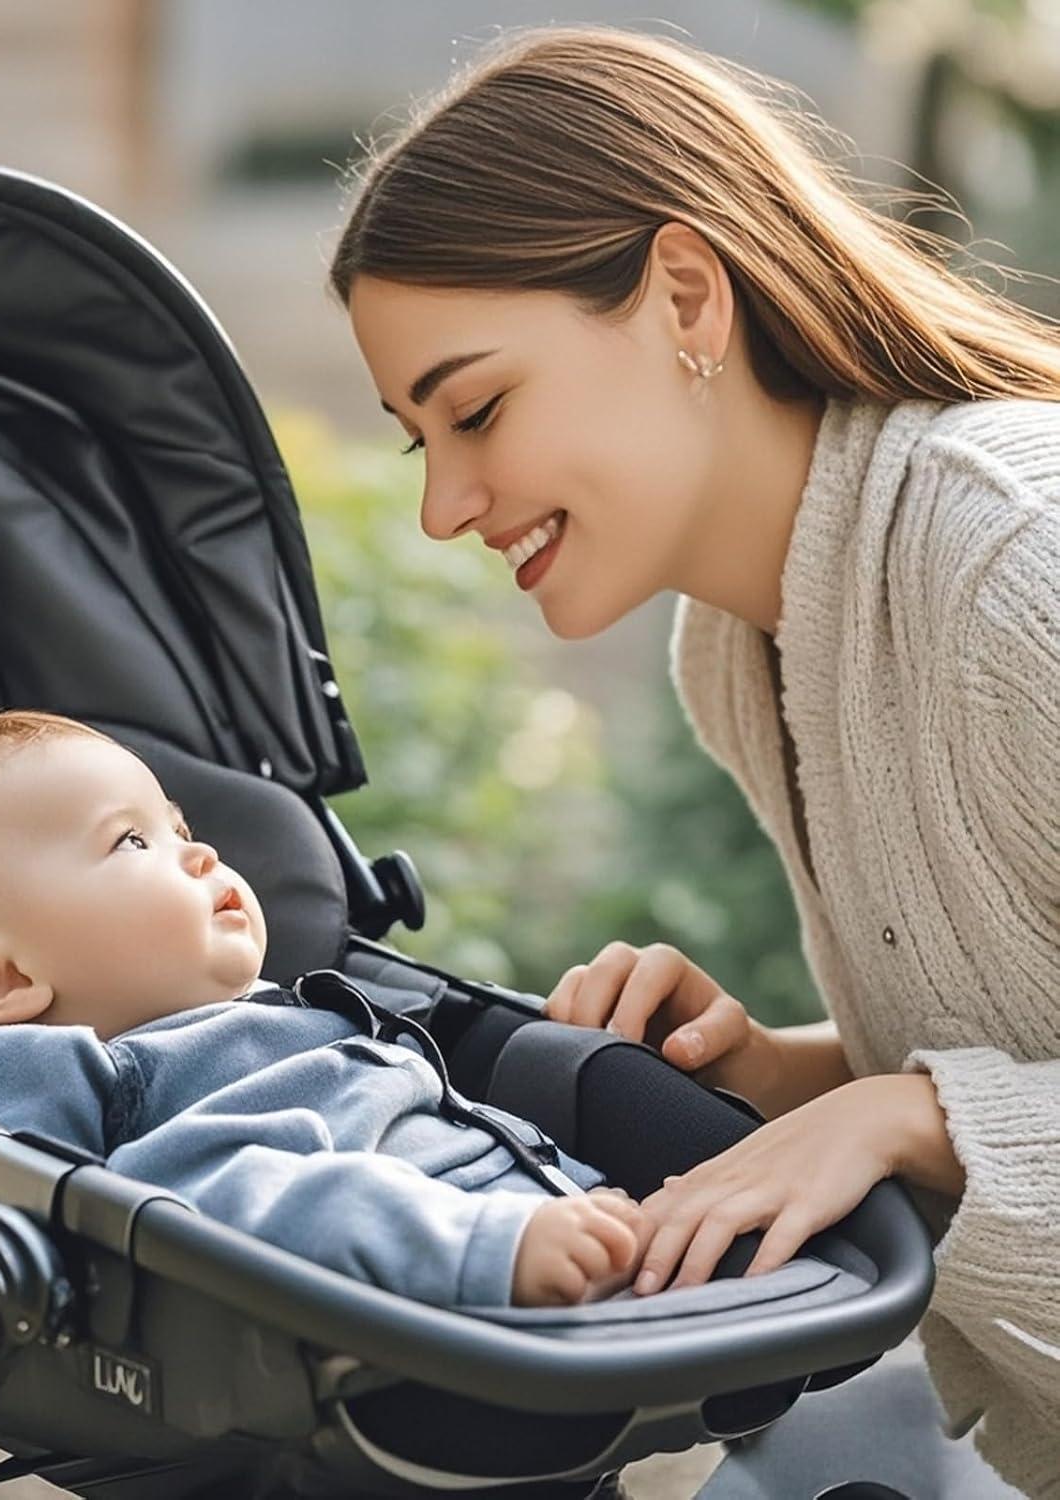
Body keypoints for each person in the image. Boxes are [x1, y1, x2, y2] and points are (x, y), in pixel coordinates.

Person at [328, 22, 1058, 1497]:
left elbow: (965, 1108)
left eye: (477, 410)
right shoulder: (743, 645)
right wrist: (780, 1080)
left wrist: (905, 1115)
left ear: (682, 296)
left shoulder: (1013, 566)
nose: (445, 507)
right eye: (419, 442)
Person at [0, 699, 652, 1311]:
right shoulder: (127, 1082)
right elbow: (205, 1203)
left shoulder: (265, 1022)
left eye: (182, 830)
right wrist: (490, 1247)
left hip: (560, 1216)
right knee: (250, 1189)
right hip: (449, 1277)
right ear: (0, 980)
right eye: (131, 840)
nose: (199, 857)